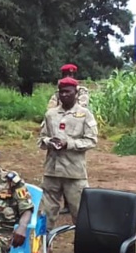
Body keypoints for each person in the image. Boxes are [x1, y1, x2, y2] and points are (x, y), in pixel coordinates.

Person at [38, 77, 98, 229]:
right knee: (45, 214)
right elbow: (42, 138)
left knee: (81, 214)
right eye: (61, 92)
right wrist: (48, 142)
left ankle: (85, 247)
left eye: (67, 92)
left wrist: (68, 144)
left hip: (74, 173)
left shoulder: (85, 114)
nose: (64, 95)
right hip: (51, 171)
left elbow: (91, 140)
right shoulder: (50, 114)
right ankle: (42, 248)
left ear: (76, 93)